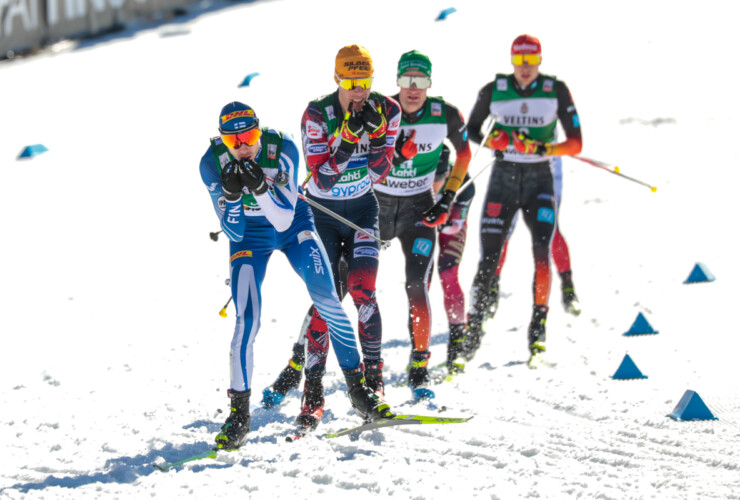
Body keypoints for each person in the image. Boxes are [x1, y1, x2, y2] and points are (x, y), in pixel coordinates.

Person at [199, 101, 393, 449]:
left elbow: (283, 219)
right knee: (246, 320)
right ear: (223, 140)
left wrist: (259, 187)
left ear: (259, 130)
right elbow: (232, 228)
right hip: (249, 236)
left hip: (291, 224)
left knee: (327, 298)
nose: (243, 145)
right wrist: (229, 196)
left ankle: (358, 389)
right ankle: (239, 415)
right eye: (234, 140)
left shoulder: (281, 148)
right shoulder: (212, 162)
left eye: (249, 135)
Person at [261, 45, 401, 430]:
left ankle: (374, 385)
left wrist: (373, 137)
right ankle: (312, 392)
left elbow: (379, 173)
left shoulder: (387, 110)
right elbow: (321, 177)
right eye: (352, 82)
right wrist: (348, 137)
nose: (359, 91)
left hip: (361, 211)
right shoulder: (317, 114)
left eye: (365, 82)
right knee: (328, 299)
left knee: (363, 291)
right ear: (337, 78)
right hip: (320, 215)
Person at [461, 34, 583, 366]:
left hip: (540, 179)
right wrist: (495, 139)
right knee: (489, 254)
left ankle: (538, 328)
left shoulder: (555, 90)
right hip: (503, 179)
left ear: (539, 61)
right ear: (512, 61)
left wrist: (546, 148)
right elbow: (472, 129)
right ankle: (473, 330)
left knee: (541, 250)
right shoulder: (494, 89)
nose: (525, 68)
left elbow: (576, 143)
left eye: (531, 61)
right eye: (519, 61)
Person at [374, 50, 471, 397]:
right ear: (397, 80)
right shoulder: (380, 108)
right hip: (377, 207)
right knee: (349, 283)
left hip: (419, 209)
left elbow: (465, 153)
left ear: (430, 83)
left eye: (421, 81)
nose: (413, 89)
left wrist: (447, 197)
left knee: (417, 285)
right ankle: (354, 366)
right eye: (406, 80)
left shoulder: (444, 113)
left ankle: (419, 366)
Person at [485, 156, 581, 321]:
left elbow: (572, 139)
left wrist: (556, 148)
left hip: (545, 166)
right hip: (510, 165)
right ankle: (491, 290)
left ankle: (568, 288)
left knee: (549, 229)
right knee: (501, 228)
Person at [431, 145, 475, 372]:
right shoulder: (417, 168)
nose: (435, 185)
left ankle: (458, 339)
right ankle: (418, 353)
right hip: (422, 215)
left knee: (448, 273)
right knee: (420, 281)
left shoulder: (462, 182)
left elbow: (456, 222)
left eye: (439, 179)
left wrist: (451, 219)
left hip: (450, 216)